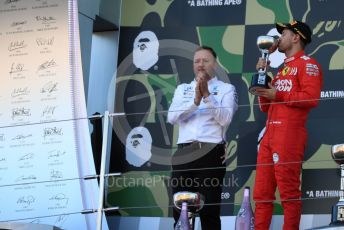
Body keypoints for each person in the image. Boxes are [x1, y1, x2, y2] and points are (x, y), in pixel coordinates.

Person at [253, 20, 323, 229]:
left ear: (296, 37)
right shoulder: (283, 69)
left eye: (283, 34)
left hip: (289, 134)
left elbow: (311, 98)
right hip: (270, 134)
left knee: (289, 192)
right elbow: (265, 107)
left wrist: (278, 93)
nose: (278, 39)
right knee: (262, 195)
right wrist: (262, 79)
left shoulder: (308, 64)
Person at [167, 46, 238, 230]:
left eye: (205, 61)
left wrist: (207, 96)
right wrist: (195, 102)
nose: (200, 65)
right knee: (180, 208)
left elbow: (225, 119)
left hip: (211, 153)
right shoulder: (183, 89)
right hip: (184, 152)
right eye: (197, 61)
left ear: (214, 64)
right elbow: (172, 117)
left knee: (209, 210)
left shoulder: (226, 89)